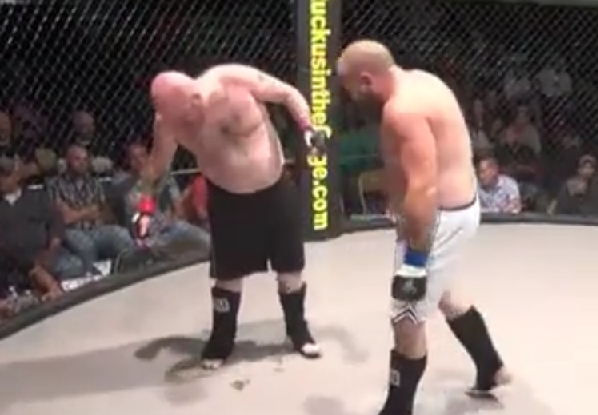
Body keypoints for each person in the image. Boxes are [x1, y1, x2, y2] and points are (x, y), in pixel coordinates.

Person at [337, 40, 511, 415]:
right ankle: (491, 367)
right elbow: (407, 165)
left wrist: (415, 260)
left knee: (406, 317)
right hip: (457, 210)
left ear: (366, 80)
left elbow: (424, 187)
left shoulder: (402, 110)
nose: (351, 99)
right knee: (447, 294)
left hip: (437, 220)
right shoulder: (422, 81)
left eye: (351, 90)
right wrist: (396, 200)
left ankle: (397, 410)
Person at [146, 65, 324, 370]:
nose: (188, 119)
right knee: (228, 275)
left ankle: (298, 331)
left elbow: (288, 94)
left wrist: (308, 127)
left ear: (195, 95)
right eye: (178, 116)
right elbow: (157, 166)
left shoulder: (232, 80)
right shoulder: (168, 123)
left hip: (274, 188)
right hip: (226, 197)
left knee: (290, 268)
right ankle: (221, 341)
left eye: (190, 109)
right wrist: (145, 205)